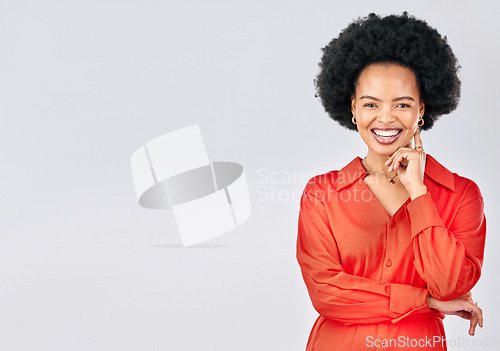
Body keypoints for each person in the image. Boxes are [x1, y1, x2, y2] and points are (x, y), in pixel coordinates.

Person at [296, 12, 487, 351]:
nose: (385, 118)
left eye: (402, 103)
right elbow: (326, 292)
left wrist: (418, 193)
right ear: (353, 108)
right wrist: (424, 301)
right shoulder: (322, 194)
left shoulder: (461, 195)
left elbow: (450, 285)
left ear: (421, 110)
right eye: (371, 104)